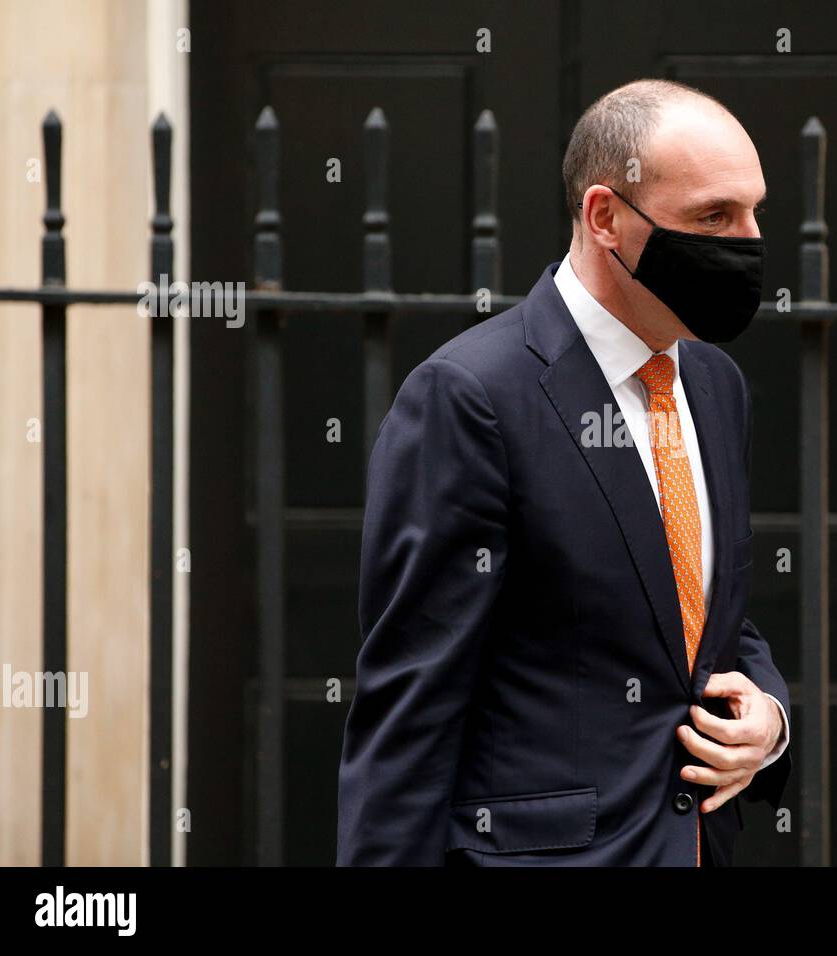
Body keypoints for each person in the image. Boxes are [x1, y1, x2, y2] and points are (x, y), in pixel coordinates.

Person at [337, 78, 791, 866]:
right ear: (606, 217)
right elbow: (412, 705)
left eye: (754, 213)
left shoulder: (716, 386)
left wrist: (770, 720)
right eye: (714, 217)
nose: (747, 241)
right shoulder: (470, 397)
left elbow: (703, 614)